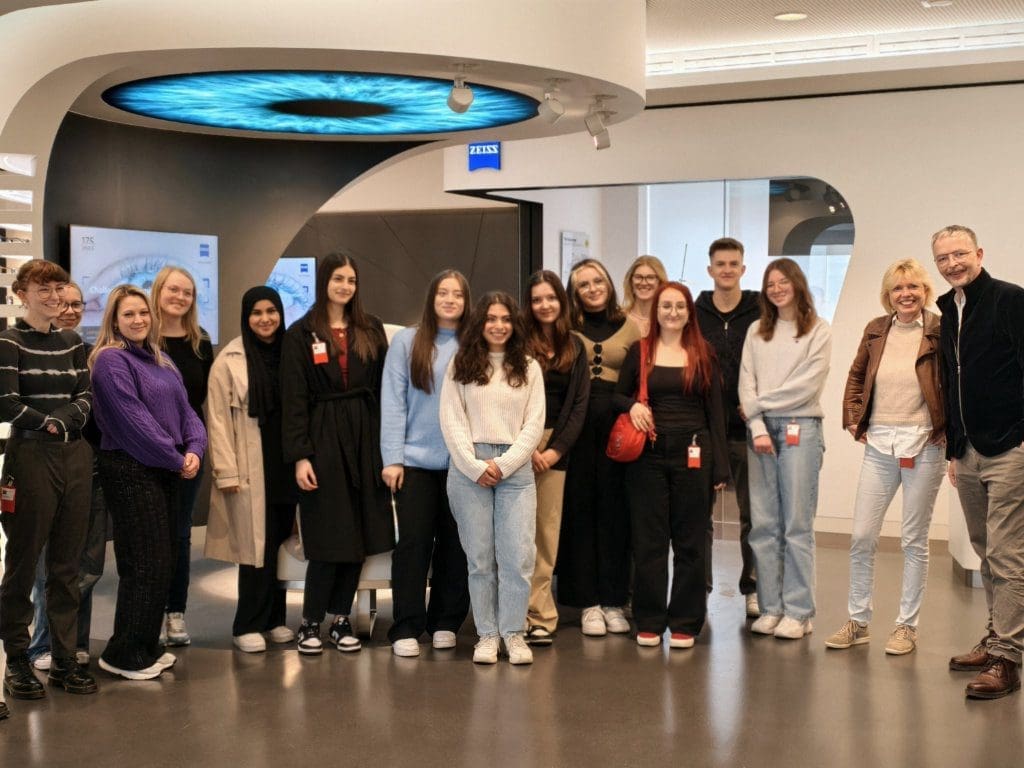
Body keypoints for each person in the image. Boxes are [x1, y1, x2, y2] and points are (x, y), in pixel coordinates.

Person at [826, 259, 945, 656]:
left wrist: (949, 435)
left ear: (925, 291)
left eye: (912, 286)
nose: (905, 294)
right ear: (888, 294)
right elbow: (856, 375)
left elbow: (952, 383)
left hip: (925, 445)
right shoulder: (876, 329)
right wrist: (852, 417)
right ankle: (858, 621)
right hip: (880, 444)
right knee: (861, 536)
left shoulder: (940, 331)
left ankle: (906, 627)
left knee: (914, 540)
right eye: (897, 288)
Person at [90, 285, 206, 679]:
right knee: (143, 563)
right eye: (129, 315)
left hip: (166, 468)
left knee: (162, 561)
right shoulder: (110, 361)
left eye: (143, 313)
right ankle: (123, 654)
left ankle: (143, 644)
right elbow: (132, 421)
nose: (138, 320)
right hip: (130, 469)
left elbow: (188, 411)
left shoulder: (160, 359)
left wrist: (195, 448)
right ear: (114, 320)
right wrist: (177, 459)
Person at [281, 252, 393, 655]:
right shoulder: (300, 334)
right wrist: (301, 456)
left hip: (366, 435)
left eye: (351, 279)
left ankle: (341, 618)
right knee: (329, 533)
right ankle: (310, 622)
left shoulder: (371, 329)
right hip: (322, 438)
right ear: (324, 282)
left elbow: (385, 392)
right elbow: (293, 401)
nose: (345, 286)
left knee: (360, 533)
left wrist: (388, 449)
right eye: (338, 278)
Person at [934, 225, 1024, 699]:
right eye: (944, 258)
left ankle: (1008, 659)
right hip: (968, 450)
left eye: (960, 254)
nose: (953, 263)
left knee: (1008, 553)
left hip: (1011, 447)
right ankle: (996, 640)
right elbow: (953, 380)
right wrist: (954, 447)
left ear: (979, 253)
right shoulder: (949, 308)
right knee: (986, 549)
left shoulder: (1011, 300)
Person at [0, 261, 96, 701]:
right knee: (22, 565)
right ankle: (17, 662)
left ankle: (63, 660)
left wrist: (62, 423)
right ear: (22, 292)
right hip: (30, 458)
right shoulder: (8, 340)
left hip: (74, 457)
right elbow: (6, 403)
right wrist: (52, 424)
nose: (55, 296)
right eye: (44, 288)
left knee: (66, 567)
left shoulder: (73, 341)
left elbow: (86, 397)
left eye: (59, 287)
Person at [615, 282, 728, 649]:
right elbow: (617, 394)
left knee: (690, 541)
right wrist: (630, 406)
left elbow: (715, 414)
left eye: (680, 306)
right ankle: (648, 619)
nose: (673, 312)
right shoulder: (640, 351)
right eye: (666, 306)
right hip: (647, 455)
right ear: (656, 310)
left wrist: (720, 467)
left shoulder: (703, 353)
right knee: (649, 540)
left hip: (694, 455)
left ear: (689, 312)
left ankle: (685, 620)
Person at [440, 291, 545, 664]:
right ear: (479, 324)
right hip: (470, 468)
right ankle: (486, 634)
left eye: (505, 319)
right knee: (480, 558)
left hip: (514, 470)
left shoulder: (529, 368)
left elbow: (534, 425)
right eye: (491, 319)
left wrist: (505, 464)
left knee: (517, 557)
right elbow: (451, 420)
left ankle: (514, 633)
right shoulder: (461, 364)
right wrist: (475, 466)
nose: (498, 326)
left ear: (514, 325)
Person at [380, 270, 472, 657]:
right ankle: (406, 625)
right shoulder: (406, 341)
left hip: (463, 465)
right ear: (431, 298)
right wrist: (392, 458)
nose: (450, 300)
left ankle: (445, 622)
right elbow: (393, 401)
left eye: (457, 294)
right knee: (413, 545)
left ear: (467, 302)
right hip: (414, 463)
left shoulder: (474, 345)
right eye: (443, 293)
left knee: (456, 546)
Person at [739, 258, 831, 640]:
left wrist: (759, 405)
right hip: (759, 432)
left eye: (783, 282)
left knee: (796, 525)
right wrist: (757, 423)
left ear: (797, 283)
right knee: (763, 525)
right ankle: (772, 607)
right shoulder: (756, 332)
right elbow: (747, 383)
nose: (776, 288)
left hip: (801, 428)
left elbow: (805, 387)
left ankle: (799, 611)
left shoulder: (818, 331)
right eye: (770, 283)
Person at [205, 287, 298, 653]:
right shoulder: (228, 360)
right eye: (256, 312)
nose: (265, 319)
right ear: (246, 317)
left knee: (278, 544)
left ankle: (275, 620)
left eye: (271, 311)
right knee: (253, 551)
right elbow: (216, 420)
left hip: (286, 466)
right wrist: (225, 471)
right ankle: (247, 623)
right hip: (249, 468)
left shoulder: (291, 351)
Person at [27, 283, 109, 670]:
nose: (71, 309)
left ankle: (75, 640)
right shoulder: (25, 350)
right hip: (41, 464)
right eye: (63, 302)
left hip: (85, 466)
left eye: (78, 304)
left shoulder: (87, 353)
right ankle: (43, 643)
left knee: (83, 563)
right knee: (48, 562)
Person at [558, 258, 641, 637]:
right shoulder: (565, 328)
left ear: (608, 282)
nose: (592, 288)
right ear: (574, 293)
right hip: (575, 425)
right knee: (578, 512)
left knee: (616, 513)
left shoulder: (631, 327)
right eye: (582, 285)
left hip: (616, 427)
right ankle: (587, 602)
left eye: (597, 281)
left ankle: (613, 600)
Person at [522, 270, 589, 646]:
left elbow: (578, 405)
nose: (544, 305)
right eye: (536, 299)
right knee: (516, 535)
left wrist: (553, 451)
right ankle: (513, 613)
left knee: (546, 536)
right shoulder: (518, 343)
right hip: (518, 446)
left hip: (555, 449)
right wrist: (527, 446)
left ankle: (540, 616)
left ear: (561, 303)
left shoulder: (575, 347)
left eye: (550, 298)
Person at [695, 237, 762, 618]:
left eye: (733, 264)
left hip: (746, 429)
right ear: (710, 269)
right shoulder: (695, 312)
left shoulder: (758, 310)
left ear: (742, 269)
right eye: (720, 264)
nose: (726, 270)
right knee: (700, 516)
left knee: (752, 515)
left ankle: (751, 588)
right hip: (703, 431)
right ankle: (700, 588)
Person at [151, 266, 213, 647]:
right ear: (158, 291)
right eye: (173, 289)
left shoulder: (199, 341)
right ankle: (146, 612)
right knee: (149, 535)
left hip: (189, 450)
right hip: (147, 450)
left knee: (180, 532)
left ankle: (175, 613)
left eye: (187, 292)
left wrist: (195, 449)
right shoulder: (141, 339)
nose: (180, 297)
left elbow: (198, 400)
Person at [621, 255, 668, 338]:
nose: (643, 283)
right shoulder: (618, 319)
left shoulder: (668, 320)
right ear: (631, 281)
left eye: (650, 277)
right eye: (638, 277)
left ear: (660, 282)